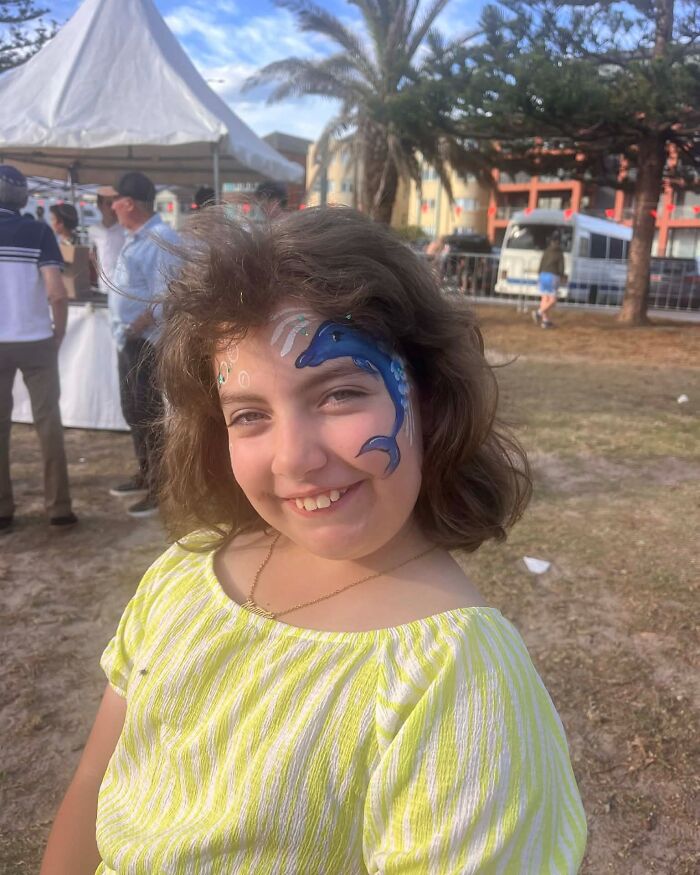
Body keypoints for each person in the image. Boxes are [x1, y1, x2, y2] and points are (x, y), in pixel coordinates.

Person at [40, 207, 587, 873]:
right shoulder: (187, 570)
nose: (293, 458)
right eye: (250, 414)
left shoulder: (458, 681)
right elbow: (100, 772)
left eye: (337, 395)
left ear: (432, 395)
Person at [0, 165, 77, 532]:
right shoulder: (38, 232)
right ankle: (58, 507)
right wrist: (58, 334)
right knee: (48, 424)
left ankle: (3, 509)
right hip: (35, 340)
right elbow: (56, 292)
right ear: (24, 198)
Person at [101, 171, 179, 518]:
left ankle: (160, 486)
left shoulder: (161, 238)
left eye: (114, 200)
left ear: (129, 203)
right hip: (131, 341)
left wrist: (137, 325)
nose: (111, 206)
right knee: (134, 410)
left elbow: (170, 295)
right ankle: (146, 473)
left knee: (149, 414)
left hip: (147, 342)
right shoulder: (136, 238)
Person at [88, 188, 126, 294]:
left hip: (123, 288)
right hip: (103, 287)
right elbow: (92, 256)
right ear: (99, 206)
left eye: (115, 203)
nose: (113, 208)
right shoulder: (93, 230)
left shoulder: (126, 230)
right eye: (109, 204)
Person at [533, 232, 565, 328]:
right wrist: (562, 275)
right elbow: (561, 267)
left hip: (543, 275)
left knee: (545, 298)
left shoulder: (546, 251)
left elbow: (541, 263)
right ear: (559, 242)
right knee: (553, 300)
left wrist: (539, 275)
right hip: (552, 276)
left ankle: (545, 321)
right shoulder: (559, 252)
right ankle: (538, 313)